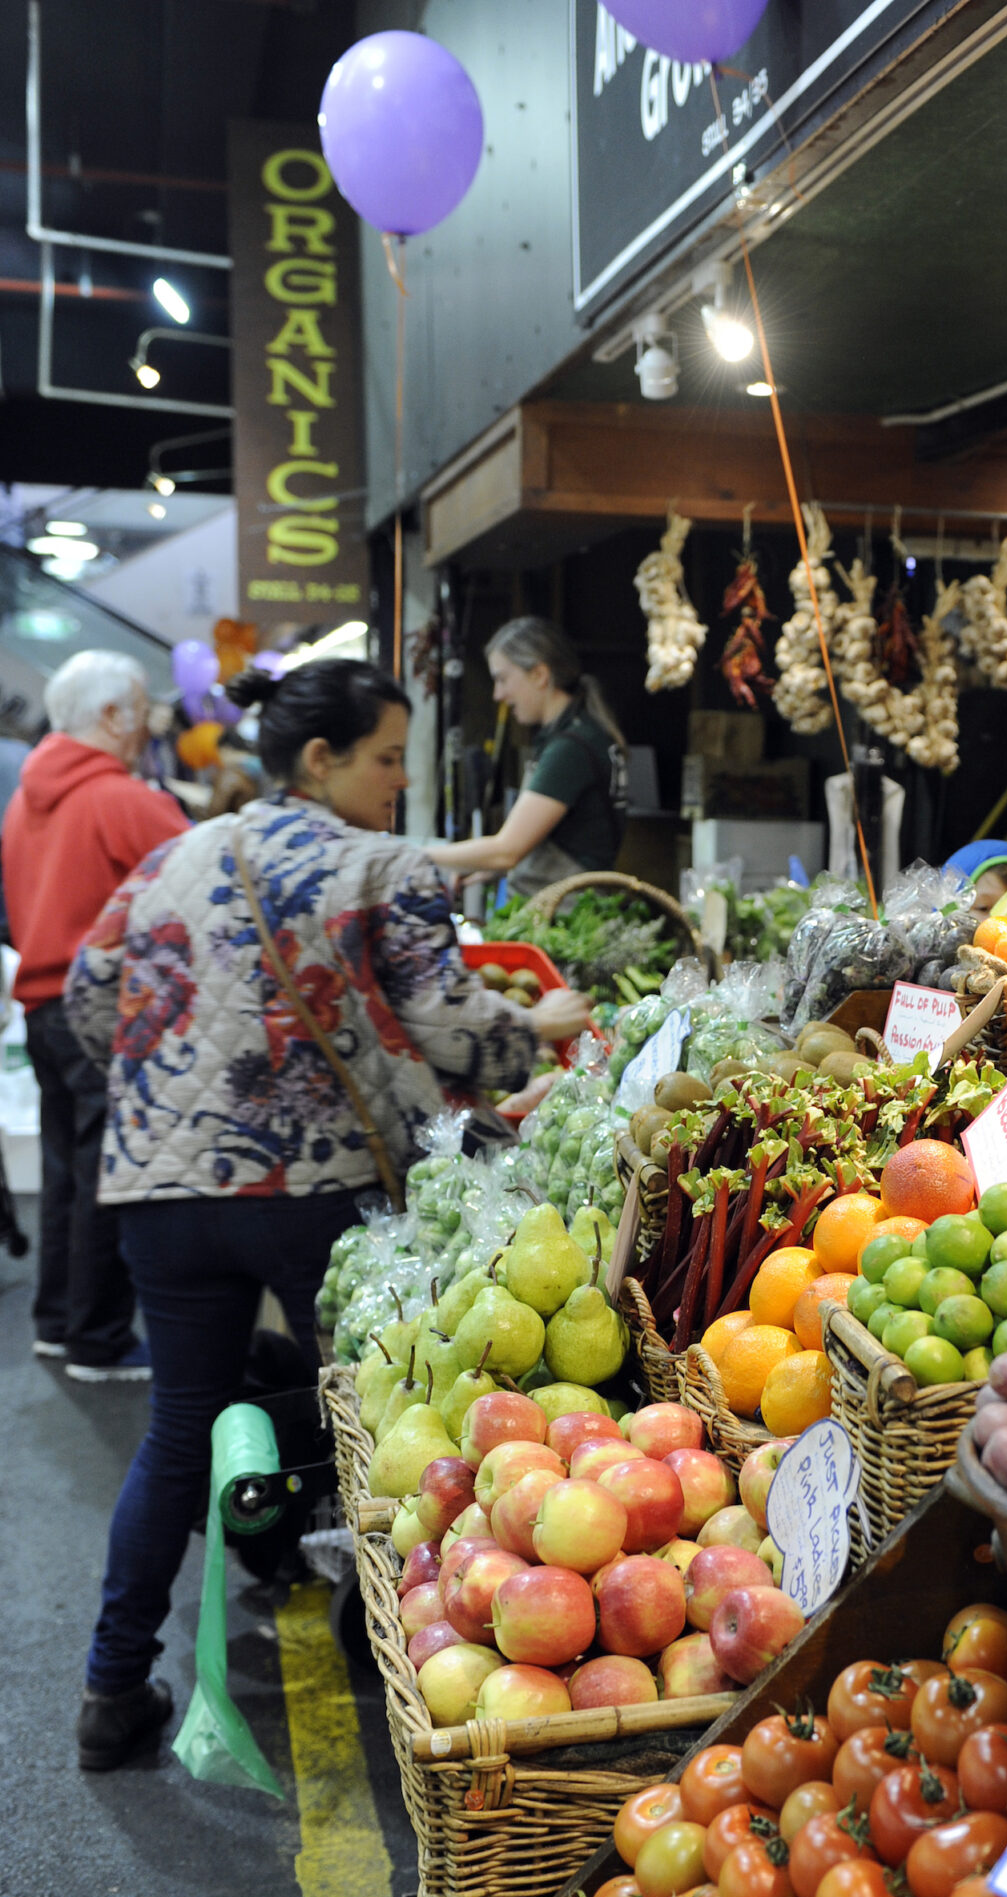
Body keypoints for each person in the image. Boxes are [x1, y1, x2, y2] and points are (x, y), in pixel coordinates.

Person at [64, 657, 590, 1771]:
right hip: (315, 1191)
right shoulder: (380, 863)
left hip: (160, 1187)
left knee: (176, 1427)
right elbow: (449, 1024)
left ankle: (112, 1690)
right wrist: (539, 1024)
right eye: (389, 756)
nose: (401, 782)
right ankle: (384, 1640)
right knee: (364, 1415)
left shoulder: (170, 852)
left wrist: (174, 1089)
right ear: (322, 758)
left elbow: (87, 990)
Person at [2, 651, 188, 1379]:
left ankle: (58, 1323)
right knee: (106, 1175)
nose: (150, 725)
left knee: (65, 1174)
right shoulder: (118, 796)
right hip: (101, 1014)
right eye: (142, 708)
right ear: (112, 715)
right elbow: (202, 874)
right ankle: (98, 1339)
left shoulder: (26, 798)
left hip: (41, 1006)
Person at [429, 617, 626, 895]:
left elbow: (506, 851)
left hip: (563, 917)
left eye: (502, 679)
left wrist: (417, 854)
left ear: (539, 675)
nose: (498, 694)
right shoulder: (581, 734)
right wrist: (481, 868)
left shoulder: (570, 749)